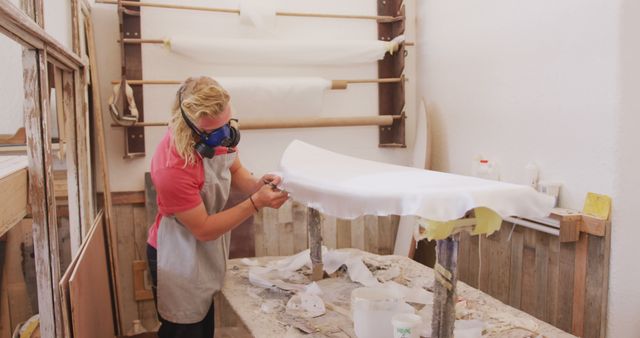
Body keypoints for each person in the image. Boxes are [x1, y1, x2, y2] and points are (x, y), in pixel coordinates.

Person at [146, 76, 289, 338]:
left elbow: (236, 171)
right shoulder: (172, 167)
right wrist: (257, 203)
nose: (227, 136)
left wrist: (258, 184)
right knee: (185, 328)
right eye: (216, 131)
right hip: (179, 252)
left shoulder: (218, 137)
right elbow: (203, 229)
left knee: (203, 326)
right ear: (191, 129)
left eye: (228, 124)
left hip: (206, 247)